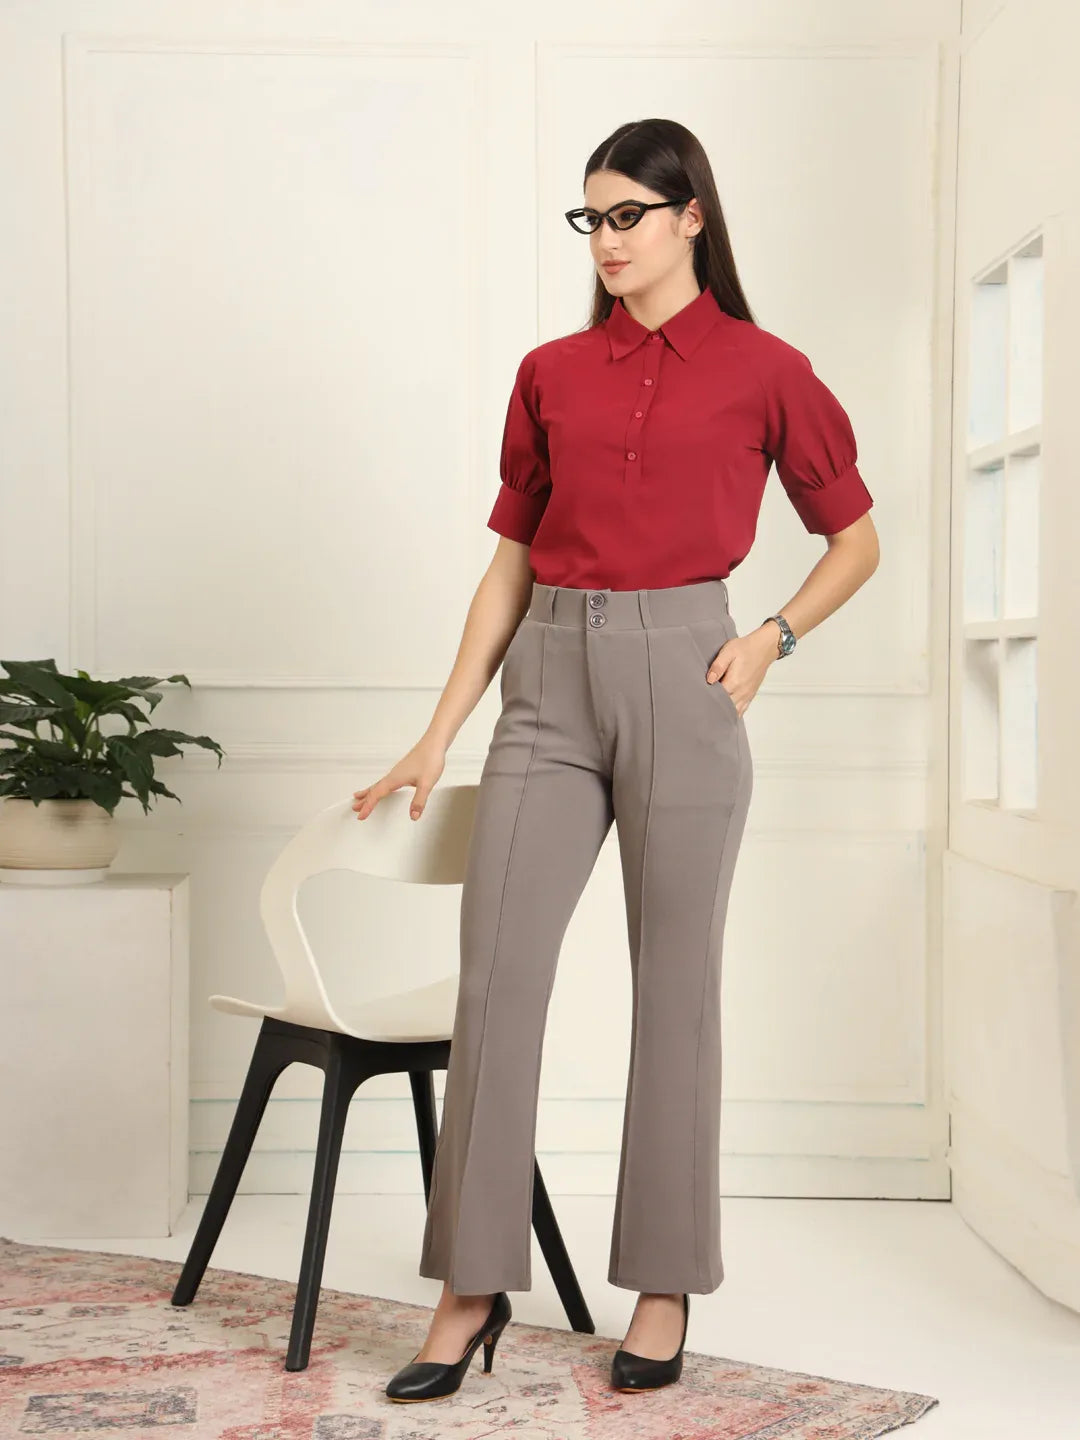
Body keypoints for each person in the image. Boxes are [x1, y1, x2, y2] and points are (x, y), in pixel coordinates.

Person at [353, 117, 879, 1402]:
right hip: (547, 683)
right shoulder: (550, 373)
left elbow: (857, 540)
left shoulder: (768, 371)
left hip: (688, 672)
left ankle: (662, 1284)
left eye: (629, 214)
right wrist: (439, 728)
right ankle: (470, 1286)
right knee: (497, 979)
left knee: (675, 989)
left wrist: (771, 639)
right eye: (591, 217)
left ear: (692, 215)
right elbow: (508, 566)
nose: (608, 239)